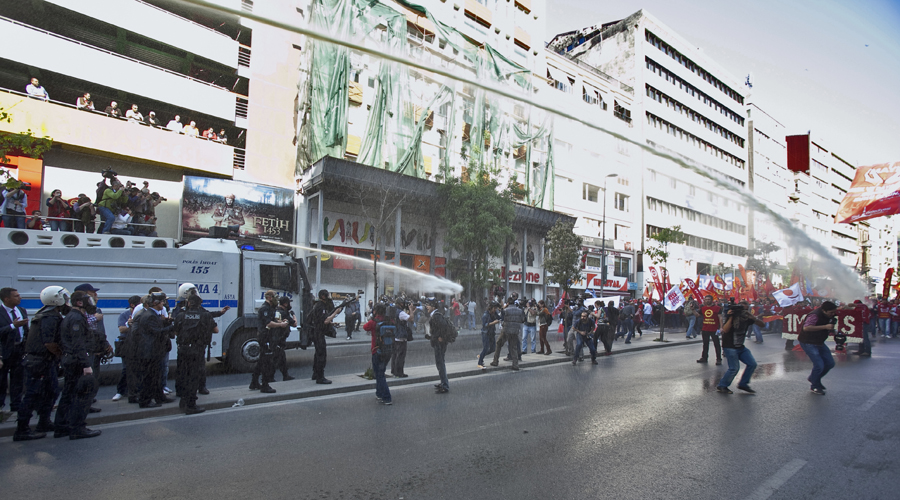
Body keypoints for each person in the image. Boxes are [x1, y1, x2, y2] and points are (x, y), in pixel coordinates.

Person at [14, 287, 68, 441]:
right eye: (64, 296)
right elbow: (49, 343)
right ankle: (22, 429)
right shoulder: (49, 317)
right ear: (56, 298)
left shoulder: (46, 314)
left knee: (51, 391)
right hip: (40, 362)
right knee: (32, 395)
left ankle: (44, 422)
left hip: (44, 361)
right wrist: (62, 355)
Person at [53, 291, 101, 439]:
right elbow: (78, 343)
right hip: (77, 362)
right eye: (88, 300)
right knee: (80, 396)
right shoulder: (77, 318)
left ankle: (62, 426)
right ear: (80, 303)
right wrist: (86, 365)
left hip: (71, 360)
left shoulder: (72, 316)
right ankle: (77, 428)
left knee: (69, 394)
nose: (91, 303)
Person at [174, 294, 215, 414]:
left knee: (183, 374)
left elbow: (176, 331)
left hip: (183, 350)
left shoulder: (181, 315)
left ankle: (183, 400)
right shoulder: (205, 315)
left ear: (188, 303)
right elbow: (214, 329)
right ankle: (191, 405)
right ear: (200, 304)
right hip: (196, 350)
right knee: (193, 377)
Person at [134, 292, 175, 408]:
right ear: (156, 303)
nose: (164, 304)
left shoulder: (153, 314)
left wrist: (166, 322)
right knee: (149, 377)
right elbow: (156, 332)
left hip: (154, 351)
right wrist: (171, 327)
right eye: (162, 301)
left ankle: (159, 397)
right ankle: (145, 401)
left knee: (156, 376)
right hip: (150, 352)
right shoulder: (150, 315)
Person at [716, 300, 762, 395]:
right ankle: (722, 385)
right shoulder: (730, 316)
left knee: (752, 364)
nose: (742, 311)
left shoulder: (747, 318)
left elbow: (762, 325)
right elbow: (725, 329)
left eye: (744, 308)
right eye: (740, 308)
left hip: (741, 347)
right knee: (734, 368)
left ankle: (743, 384)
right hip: (730, 346)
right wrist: (731, 317)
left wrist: (752, 317)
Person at [799, 301, 838, 396]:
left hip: (819, 341)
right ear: (824, 311)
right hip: (808, 342)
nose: (833, 314)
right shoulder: (814, 315)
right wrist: (825, 327)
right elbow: (807, 328)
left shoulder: (829, 316)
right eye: (831, 313)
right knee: (819, 365)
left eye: (834, 312)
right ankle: (815, 385)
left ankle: (814, 378)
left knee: (830, 363)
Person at [249, 290, 285, 393]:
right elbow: (269, 323)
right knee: (267, 362)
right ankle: (265, 384)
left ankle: (254, 382)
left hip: (268, 337)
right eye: (274, 296)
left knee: (261, 361)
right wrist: (280, 325)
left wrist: (282, 322)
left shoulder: (271, 308)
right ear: (269, 297)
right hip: (265, 337)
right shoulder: (265, 308)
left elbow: (274, 320)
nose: (276, 299)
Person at [1, 288, 28, 415]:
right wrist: (13, 326)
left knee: (17, 380)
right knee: (2, 381)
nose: (20, 298)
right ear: (6, 299)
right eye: (16, 296)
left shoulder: (21, 310)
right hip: (5, 351)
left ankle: (16, 406)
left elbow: (26, 330)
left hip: (19, 349)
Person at [309, 289, 344, 384]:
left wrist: (332, 324)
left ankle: (315, 374)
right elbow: (325, 321)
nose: (329, 298)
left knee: (317, 354)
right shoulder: (320, 306)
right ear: (323, 296)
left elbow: (320, 320)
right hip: (318, 333)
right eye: (327, 295)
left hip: (316, 332)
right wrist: (335, 313)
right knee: (321, 355)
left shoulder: (318, 305)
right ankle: (320, 377)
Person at [112, 295, 142, 402]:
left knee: (137, 369)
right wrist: (130, 326)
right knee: (126, 369)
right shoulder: (125, 315)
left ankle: (135, 391)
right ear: (132, 305)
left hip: (138, 344)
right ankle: (120, 391)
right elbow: (121, 329)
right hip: (126, 344)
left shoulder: (141, 313)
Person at [363, 304, 392, 405]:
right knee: (381, 372)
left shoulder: (373, 322)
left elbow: (365, 327)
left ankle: (387, 397)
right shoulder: (389, 320)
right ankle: (379, 393)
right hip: (388, 350)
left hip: (377, 350)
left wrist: (372, 318)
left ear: (375, 311)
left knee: (379, 375)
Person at [426, 300, 453, 392]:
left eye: (428, 305)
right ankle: (443, 382)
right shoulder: (436, 315)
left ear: (433, 307)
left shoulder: (436, 316)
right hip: (438, 342)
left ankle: (445, 386)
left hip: (439, 344)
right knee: (440, 363)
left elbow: (444, 326)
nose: (427, 307)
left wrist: (441, 337)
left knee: (440, 363)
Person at [492, 297, 524, 371]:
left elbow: (501, 318)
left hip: (506, 330)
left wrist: (503, 307)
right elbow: (522, 320)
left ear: (508, 303)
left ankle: (495, 361)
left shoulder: (505, 310)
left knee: (499, 343)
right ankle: (515, 364)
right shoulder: (520, 310)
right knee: (514, 347)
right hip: (515, 331)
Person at [271, 296, 296, 382]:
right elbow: (294, 324)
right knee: (276, 358)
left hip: (276, 338)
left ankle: (285, 375)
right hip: (279, 338)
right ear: (285, 304)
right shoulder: (284, 313)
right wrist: (294, 315)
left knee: (281, 358)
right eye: (289, 303)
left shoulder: (276, 311)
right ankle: (270, 377)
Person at [697, 294, 723, 365]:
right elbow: (697, 315)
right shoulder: (703, 308)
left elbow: (720, 317)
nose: (707, 301)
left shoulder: (717, 308)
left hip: (714, 329)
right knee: (705, 344)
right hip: (705, 329)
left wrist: (721, 327)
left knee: (716, 344)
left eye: (709, 299)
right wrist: (693, 310)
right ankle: (704, 357)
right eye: (706, 299)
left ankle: (718, 359)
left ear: (711, 300)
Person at [390, 300, 413, 378]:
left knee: (395, 354)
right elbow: (411, 319)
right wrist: (411, 309)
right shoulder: (400, 312)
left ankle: (394, 370)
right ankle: (399, 372)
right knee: (401, 355)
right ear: (401, 303)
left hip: (395, 335)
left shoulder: (394, 310)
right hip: (401, 336)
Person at [478, 302, 500, 368]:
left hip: (492, 333)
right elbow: (484, 325)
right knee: (486, 348)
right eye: (494, 308)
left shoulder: (494, 313)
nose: (495, 309)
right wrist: (493, 323)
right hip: (486, 333)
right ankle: (480, 362)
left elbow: (499, 317)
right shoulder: (485, 314)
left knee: (493, 348)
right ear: (491, 308)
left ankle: (481, 355)